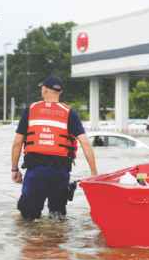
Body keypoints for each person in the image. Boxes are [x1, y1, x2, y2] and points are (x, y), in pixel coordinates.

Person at [11, 75, 98, 221]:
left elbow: (17, 143)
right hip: (60, 172)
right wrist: (94, 173)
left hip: (35, 172)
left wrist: (15, 169)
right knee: (57, 217)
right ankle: (55, 241)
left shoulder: (30, 110)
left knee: (29, 219)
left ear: (44, 89)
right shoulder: (70, 113)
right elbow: (86, 143)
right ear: (60, 92)